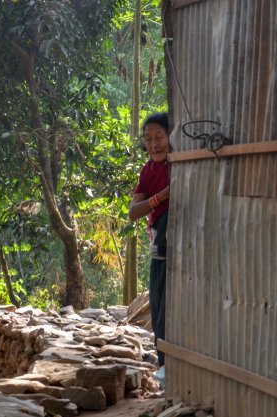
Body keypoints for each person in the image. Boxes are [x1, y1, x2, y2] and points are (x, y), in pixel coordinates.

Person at [129, 112, 170, 368]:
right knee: (159, 307)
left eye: (159, 137)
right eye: (148, 139)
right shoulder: (149, 170)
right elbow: (134, 212)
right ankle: (164, 366)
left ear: (171, 137)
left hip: (180, 250)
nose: (154, 144)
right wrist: (161, 196)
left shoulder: (181, 164)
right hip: (159, 250)